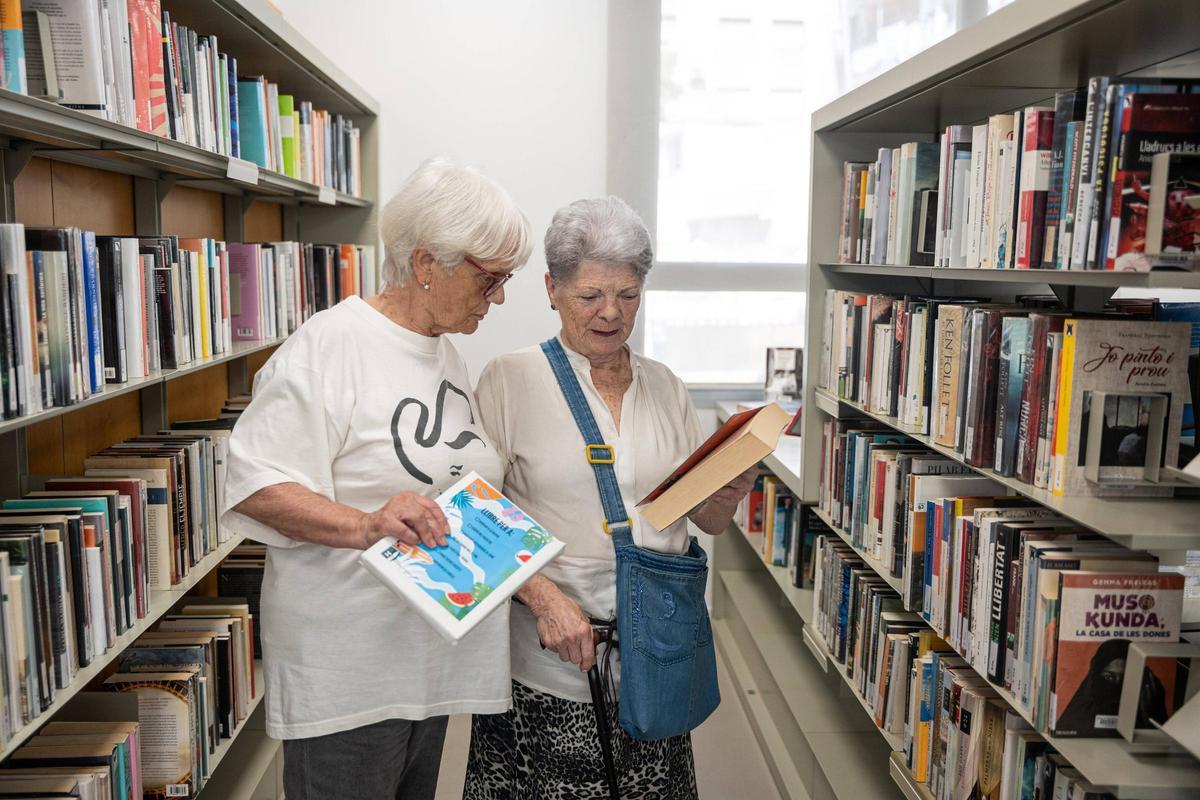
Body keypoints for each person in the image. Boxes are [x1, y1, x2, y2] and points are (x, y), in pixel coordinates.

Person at [220, 158, 532, 800]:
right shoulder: (330, 346)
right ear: (426, 263)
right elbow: (256, 483)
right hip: (350, 678)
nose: (498, 297)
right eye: (490, 277)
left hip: (427, 663)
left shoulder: (443, 351)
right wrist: (364, 525)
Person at [464, 196, 757, 799]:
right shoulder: (508, 380)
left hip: (655, 660)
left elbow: (702, 518)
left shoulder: (666, 386)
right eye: (590, 295)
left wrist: (730, 490)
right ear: (551, 288)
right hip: (551, 664)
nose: (611, 314)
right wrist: (545, 601)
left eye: (627, 295)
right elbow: (472, 519)